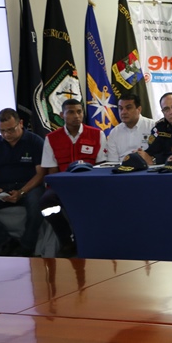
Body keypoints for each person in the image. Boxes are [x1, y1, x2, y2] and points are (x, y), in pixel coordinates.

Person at [40, 99, 108, 257]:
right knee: (45, 203)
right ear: (61, 115)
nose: (76, 116)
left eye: (79, 111)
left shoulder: (97, 134)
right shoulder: (51, 138)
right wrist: (61, 188)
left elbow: (102, 166)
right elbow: (52, 170)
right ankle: (67, 240)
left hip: (90, 185)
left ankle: (93, 242)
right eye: (71, 112)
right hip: (62, 186)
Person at [0, 109, 45, 257]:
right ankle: (4, 243)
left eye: (10, 130)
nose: (6, 135)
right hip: (3, 187)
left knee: (36, 206)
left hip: (29, 186)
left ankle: (27, 246)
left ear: (20, 123)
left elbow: (40, 174)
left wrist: (22, 192)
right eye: (2, 131)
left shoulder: (35, 141)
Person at [106, 93, 156, 162]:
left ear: (139, 109)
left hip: (148, 167)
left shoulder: (153, 127)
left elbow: (161, 157)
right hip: (122, 168)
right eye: (121, 108)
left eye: (128, 108)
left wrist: (151, 160)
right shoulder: (114, 132)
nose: (123, 112)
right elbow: (112, 162)